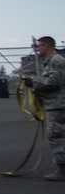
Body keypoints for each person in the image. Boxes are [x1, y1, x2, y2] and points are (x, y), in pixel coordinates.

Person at [35, 36, 65, 182]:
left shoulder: (56, 61)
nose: (37, 49)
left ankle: (63, 169)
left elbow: (53, 82)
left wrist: (34, 84)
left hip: (59, 105)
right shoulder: (50, 62)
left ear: (47, 46)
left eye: (39, 46)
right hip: (56, 104)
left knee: (56, 136)